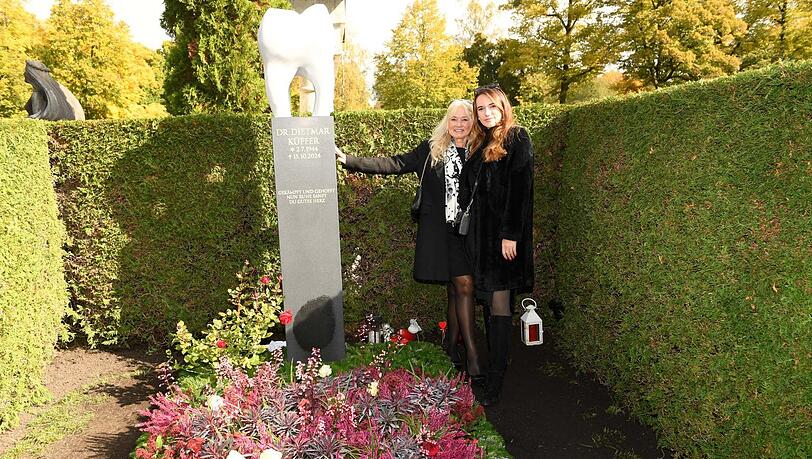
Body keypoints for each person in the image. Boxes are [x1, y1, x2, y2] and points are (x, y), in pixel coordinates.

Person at [335, 100, 484, 381]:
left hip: (470, 232)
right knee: (463, 286)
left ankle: (451, 348)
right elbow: (395, 163)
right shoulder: (431, 150)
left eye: (465, 119)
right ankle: (472, 356)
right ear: (447, 121)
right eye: (454, 119)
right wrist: (349, 160)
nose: (460, 124)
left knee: (457, 289)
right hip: (441, 233)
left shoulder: (480, 151)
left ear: (473, 122)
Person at [459, 84, 534, 406]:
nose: (486, 113)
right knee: (489, 304)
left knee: (501, 306)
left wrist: (511, 235)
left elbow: (520, 191)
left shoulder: (518, 137)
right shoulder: (480, 142)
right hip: (481, 238)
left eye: (491, 106)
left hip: (505, 240)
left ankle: (496, 380)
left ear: (503, 107)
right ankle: (496, 364)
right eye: (480, 109)